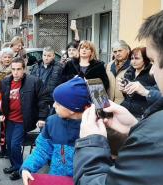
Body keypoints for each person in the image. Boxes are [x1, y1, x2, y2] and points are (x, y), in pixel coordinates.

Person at [73, 10, 163, 184]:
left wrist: (91, 143)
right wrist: (135, 130)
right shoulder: (110, 66)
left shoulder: (157, 129)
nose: (152, 71)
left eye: (153, 60)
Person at [20, 77, 91, 185]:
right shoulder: (52, 122)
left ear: (72, 108)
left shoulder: (94, 128)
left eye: (58, 103)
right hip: (56, 179)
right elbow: (42, 150)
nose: (53, 105)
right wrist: (27, 167)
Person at [0, 57, 50, 180]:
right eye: (13, 69)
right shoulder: (5, 82)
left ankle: (19, 168)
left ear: (24, 69)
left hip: (23, 120)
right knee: (9, 144)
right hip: (9, 119)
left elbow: (43, 100)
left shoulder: (34, 82)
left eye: (18, 69)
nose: (15, 72)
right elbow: (0, 101)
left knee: (15, 145)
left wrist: (42, 117)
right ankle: (14, 165)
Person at [119, 47, 156, 118]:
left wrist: (142, 89)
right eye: (132, 58)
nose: (133, 61)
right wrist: (123, 90)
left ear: (145, 59)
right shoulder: (129, 72)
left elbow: (157, 93)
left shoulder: (152, 73)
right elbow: (127, 95)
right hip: (126, 111)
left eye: (137, 58)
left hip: (142, 114)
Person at [30, 46, 64, 117]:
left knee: (51, 122)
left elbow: (63, 84)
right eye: (44, 55)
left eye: (49, 56)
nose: (46, 57)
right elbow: (31, 83)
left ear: (53, 56)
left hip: (53, 101)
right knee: (41, 123)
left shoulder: (59, 67)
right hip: (39, 100)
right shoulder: (36, 67)